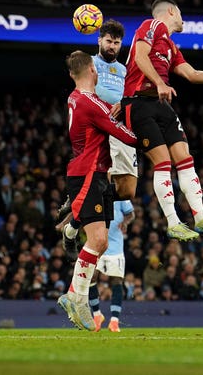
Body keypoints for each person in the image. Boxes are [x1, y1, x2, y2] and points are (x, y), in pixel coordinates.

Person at [121, 0, 203, 241]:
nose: (182, 18)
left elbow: (190, 73)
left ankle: (200, 217)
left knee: (185, 158)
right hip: (138, 102)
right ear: (172, 11)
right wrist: (158, 83)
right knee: (163, 161)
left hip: (161, 102)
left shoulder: (171, 46)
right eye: (180, 13)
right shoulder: (151, 25)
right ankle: (173, 222)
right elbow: (139, 58)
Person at [57, 50, 139, 331]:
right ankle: (74, 297)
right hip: (88, 174)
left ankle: (72, 229)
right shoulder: (91, 103)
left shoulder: (75, 98)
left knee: (101, 242)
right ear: (93, 69)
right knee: (99, 240)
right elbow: (124, 135)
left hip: (96, 173)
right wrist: (150, 136)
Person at [57, 19, 138, 262]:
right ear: (99, 40)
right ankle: (79, 204)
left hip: (121, 124)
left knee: (127, 191)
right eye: (108, 41)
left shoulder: (125, 70)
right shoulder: (91, 64)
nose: (112, 46)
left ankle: (73, 219)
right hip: (101, 126)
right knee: (100, 184)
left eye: (116, 42)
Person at [89, 199, 134, 332]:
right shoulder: (95, 193)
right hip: (96, 244)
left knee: (116, 281)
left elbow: (131, 213)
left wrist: (125, 222)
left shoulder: (120, 196)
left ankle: (114, 321)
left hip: (115, 246)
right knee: (91, 277)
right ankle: (97, 315)